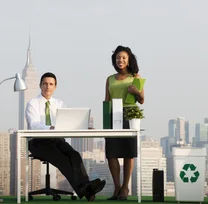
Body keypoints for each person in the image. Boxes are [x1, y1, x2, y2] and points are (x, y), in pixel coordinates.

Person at [26, 72, 106, 202]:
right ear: (40, 85)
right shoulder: (32, 104)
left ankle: (86, 188)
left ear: (55, 87)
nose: (48, 87)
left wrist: (83, 127)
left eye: (51, 84)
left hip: (57, 140)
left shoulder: (60, 103)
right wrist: (50, 128)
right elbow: (34, 124)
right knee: (63, 160)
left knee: (74, 155)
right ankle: (87, 191)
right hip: (38, 142)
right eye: (45, 84)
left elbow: (68, 123)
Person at [104, 45, 145, 200]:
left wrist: (136, 91)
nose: (120, 60)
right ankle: (117, 187)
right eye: (117, 58)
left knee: (128, 154)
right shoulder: (109, 79)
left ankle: (125, 188)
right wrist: (105, 120)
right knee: (111, 153)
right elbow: (106, 100)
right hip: (113, 114)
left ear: (128, 60)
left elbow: (142, 100)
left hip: (130, 114)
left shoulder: (136, 77)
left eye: (123, 58)